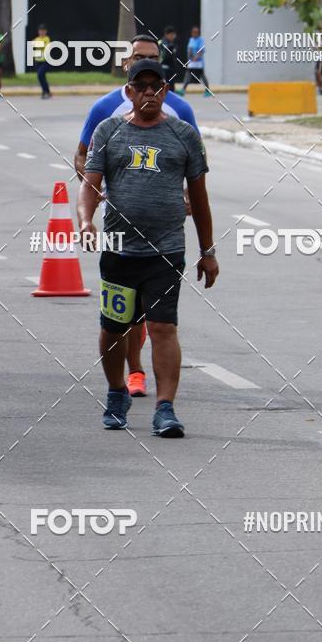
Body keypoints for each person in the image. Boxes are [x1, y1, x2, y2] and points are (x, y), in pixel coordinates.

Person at [77, 59, 218, 437]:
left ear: (166, 91)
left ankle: (165, 409)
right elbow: (89, 184)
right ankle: (116, 392)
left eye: (156, 86)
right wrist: (85, 220)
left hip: (166, 252)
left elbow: (200, 199)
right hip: (119, 251)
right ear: (130, 92)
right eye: (141, 87)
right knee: (114, 329)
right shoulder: (109, 131)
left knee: (162, 327)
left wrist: (208, 251)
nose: (149, 93)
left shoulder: (183, 135)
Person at [179, 26, 211, 97]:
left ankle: (208, 91)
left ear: (198, 33)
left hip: (198, 62)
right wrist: (190, 59)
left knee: (202, 76)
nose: (195, 33)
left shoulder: (200, 40)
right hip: (192, 62)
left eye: (196, 32)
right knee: (188, 74)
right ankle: (183, 90)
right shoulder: (191, 40)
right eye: (193, 32)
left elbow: (201, 50)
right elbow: (189, 50)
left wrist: (196, 57)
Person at [31, 23, 52, 99]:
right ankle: (46, 91)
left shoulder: (47, 38)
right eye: (41, 30)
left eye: (43, 30)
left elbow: (46, 46)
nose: (42, 32)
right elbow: (32, 45)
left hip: (45, 61)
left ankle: (45, 91)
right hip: (37, 61)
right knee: (41, 77)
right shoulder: (36, 39)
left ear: (46, 31)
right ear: (38, 31)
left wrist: (38, 44)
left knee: (40, 75)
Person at [159, 26, 178, 91]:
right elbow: (165, 56)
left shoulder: (171, 44)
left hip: (169, 69)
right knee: (168, 87)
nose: (173, 37)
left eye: (173, 35)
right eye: (171, 35)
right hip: (165, 69)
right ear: (166, 34)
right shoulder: (167, 44)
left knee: (169, 86)